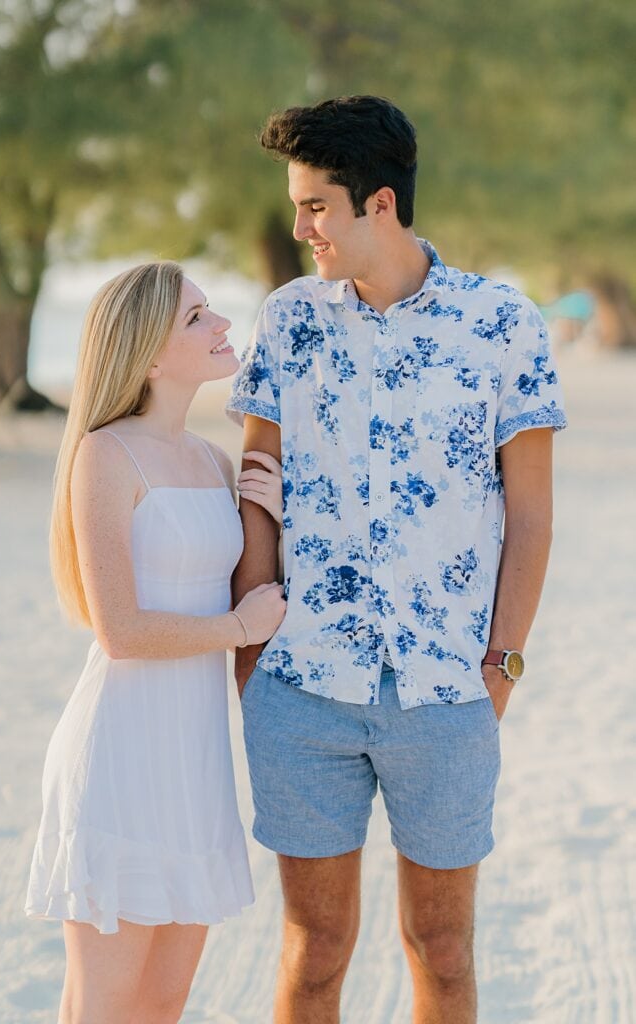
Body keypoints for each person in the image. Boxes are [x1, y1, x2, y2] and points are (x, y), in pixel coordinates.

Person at [227, 96, 567, 1024]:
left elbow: (530, 515)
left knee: (445, 952)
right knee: (315, 952)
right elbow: (258, 481)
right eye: (296, 207)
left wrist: (501, 662)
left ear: (379, 203)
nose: (299, 228)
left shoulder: (501, 323)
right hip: (302, 692)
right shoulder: (287, 320)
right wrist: (251, 656)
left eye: (315, 207)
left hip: (448, 692)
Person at [24, 260, 286, 1024]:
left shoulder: (210, 461)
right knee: (102, 1008)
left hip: (194, 764)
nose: (222, 326)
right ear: (147, 354)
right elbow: (122, 629)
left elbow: (251, 586)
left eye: (211, 310)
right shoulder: (106, 455)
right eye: (197, 318)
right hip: (121, 756)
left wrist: (271, 511)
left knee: (162, 1005)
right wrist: (236, 630)